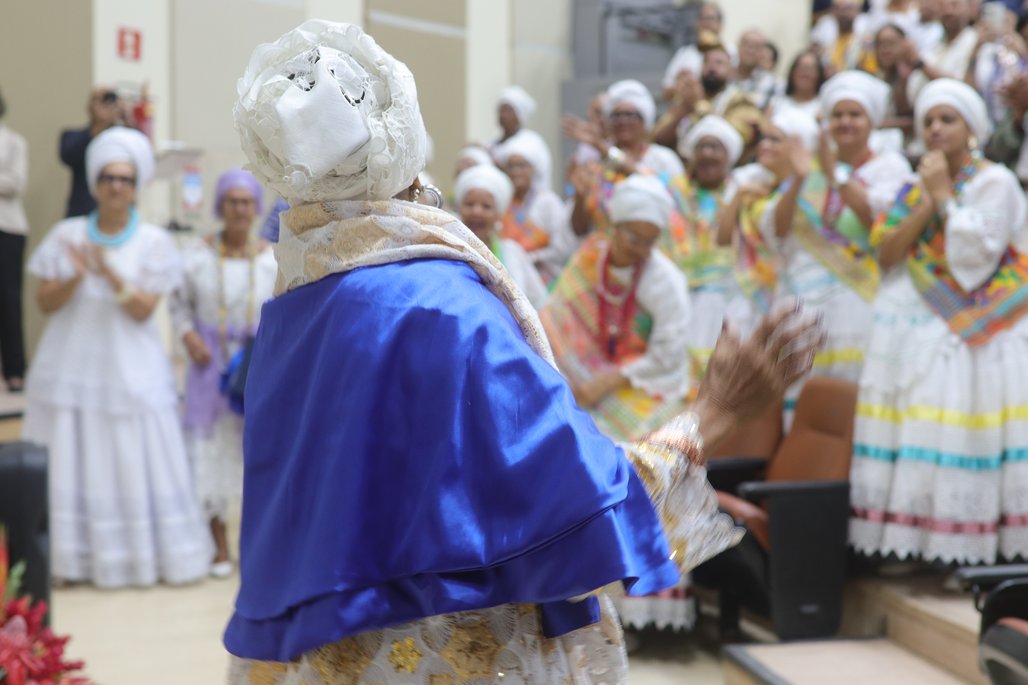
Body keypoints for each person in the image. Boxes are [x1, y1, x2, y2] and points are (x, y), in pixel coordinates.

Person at [222, 21, 823, 683]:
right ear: (403, 143)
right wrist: (712, 412)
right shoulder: (437, 303)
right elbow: (578, 504)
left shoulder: (298, 301)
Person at [850, 79, 1028, 565]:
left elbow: (977, 259)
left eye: (947, 120)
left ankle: (965, 551)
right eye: (929, 120)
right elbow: (886, 253)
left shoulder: (996, 181)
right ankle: (913, 544)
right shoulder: (915, 186)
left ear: (971, 130)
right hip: (915, 324)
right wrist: (929, 198)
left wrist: (945, 196)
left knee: (954, 430)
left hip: (971, 331)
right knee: (913, 431)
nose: (935, 129)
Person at [22, 127, 209, 588]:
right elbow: (45, 302)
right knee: (70, 453)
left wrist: (105, 272)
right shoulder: (67, 235)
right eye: (108, 177)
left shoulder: (153, 242)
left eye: (125, 178)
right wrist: (76, 274)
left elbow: (144, 309)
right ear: (94, 182)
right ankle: (69, 559)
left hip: (131, 371)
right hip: (70, 367)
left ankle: (135, 559)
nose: (116, 186)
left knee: (128, 454)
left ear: (137, 185)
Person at [769, 73, 914, 424]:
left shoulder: (890, 167)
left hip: (859, 299)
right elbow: (779, 229)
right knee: (803, 390)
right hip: (806, 298)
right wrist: (803, 177)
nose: (845, 122)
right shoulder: (811, 168)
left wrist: (836, 174)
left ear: (872, 122)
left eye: (855, 114)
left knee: (852, 393)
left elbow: (878, 224)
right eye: (837, 115)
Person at [170, 169, 277, 578]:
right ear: (219, 205)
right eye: (231, 201)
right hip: (208, 364)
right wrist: (187, 336)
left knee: (253, 452)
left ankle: (255, 546)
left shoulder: (269, 259)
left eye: (246, 201)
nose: (238, 209)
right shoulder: (196, 256)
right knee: (211, 452)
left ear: (255, 208)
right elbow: (178, 305)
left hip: (254, 363)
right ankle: (217, 545)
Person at [541, 174, 693, 441]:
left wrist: (606, 382)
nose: (642, 250)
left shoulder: (665, 280)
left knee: (629, 443)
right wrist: (581, 384)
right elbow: (554, 320)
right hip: (576, 377)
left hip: (640, 384)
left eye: (650, 241)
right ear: (615, 226)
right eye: (635, 238)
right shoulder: (590, 257)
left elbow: (667, 355)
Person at [667, 116, 746, 377]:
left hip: (732, 299)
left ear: (729, 156)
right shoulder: (676, 194)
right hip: (681, 300)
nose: (707, 154)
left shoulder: (742, 192)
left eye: (715, 148)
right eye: (701, 147)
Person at [563, 79, 684, 238]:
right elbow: (579, 229)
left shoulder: (664, 159)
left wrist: (605, 149)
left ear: (645, 121)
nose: (623, 121)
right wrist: (580, 198)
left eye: (630, 115)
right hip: (605, 254)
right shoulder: (595, 167)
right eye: (616, 115)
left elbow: (674, 202)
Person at [454, 164, 548, 309]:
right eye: (470, 204)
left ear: (498, 214)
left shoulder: (513, 253)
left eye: (486, 206)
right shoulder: (450, 250)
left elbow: (540, 301)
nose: (477, 212)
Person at [494, 134, 575, 284]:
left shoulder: (548, 202)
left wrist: (528, 259)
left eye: (522, 165)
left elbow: (561, 248)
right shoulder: (501, 202)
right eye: (511, 166)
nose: (515, 171)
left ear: (533, 169)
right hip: (505, 277)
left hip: (544, 280)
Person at [59, 86, 127, 218]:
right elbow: (68, 156)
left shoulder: (124, 139)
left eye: (111, 99)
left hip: (121, 217)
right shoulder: (72, 136)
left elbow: (143, 157)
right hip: (83, 213)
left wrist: (127, 119)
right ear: (89, 106)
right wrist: (99, 124)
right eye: (100, 100)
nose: (106, 104)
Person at [0, 88, 28, 393]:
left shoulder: (14, 142)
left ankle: (15, 369)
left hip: (7, 228)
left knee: (8, 300)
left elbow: (15, 182)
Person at [661, 1, 738, 99]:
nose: (706, 23)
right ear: (696, 24)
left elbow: (735, 84)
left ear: (720, 24)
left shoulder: (731, 51)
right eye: (702, 18)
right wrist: (681, 85)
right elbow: (665, 91)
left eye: (710, 18)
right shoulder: (685, 53)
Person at [906, 0, 978, 102]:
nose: (948, 11)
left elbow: (961, 86)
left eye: (954, 4)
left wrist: (920, 64)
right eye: (942, 7)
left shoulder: (975, 42)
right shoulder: (935, 44)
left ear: (969, 9)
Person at [491, 85, 552, 190]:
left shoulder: (532, 142)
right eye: (501, 110)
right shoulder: (491, 144)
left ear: (519, 115)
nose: (503, 115)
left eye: (508, 111)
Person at [811, 0, 873, 74]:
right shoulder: (824, 30)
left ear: (857, 11)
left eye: (848, 9)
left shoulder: (865, 33)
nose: (844, 13)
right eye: (839, 9)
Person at [769, 50, 828, 119]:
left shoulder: (824, 107)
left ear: (819, 74)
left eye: (810, 69)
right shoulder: (777, 101)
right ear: (792, 72)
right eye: (801, 68)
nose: (805, 73)